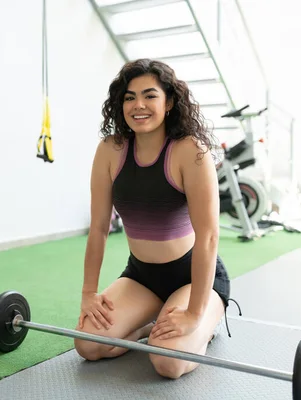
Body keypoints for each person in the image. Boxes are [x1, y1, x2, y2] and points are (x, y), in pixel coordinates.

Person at [74, 58, 234, 379]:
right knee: (88, 345)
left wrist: (194, 313)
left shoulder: (190, 150)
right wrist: (89, 294)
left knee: (168, 364)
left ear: (170, 102)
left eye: (150, 95)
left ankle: (205, 327)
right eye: (129, 97)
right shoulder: (110, 150)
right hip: (142, 277)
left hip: (193, 278)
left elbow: (208, 237)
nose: (139, 105)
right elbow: (99, 229)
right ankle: (152, 324)